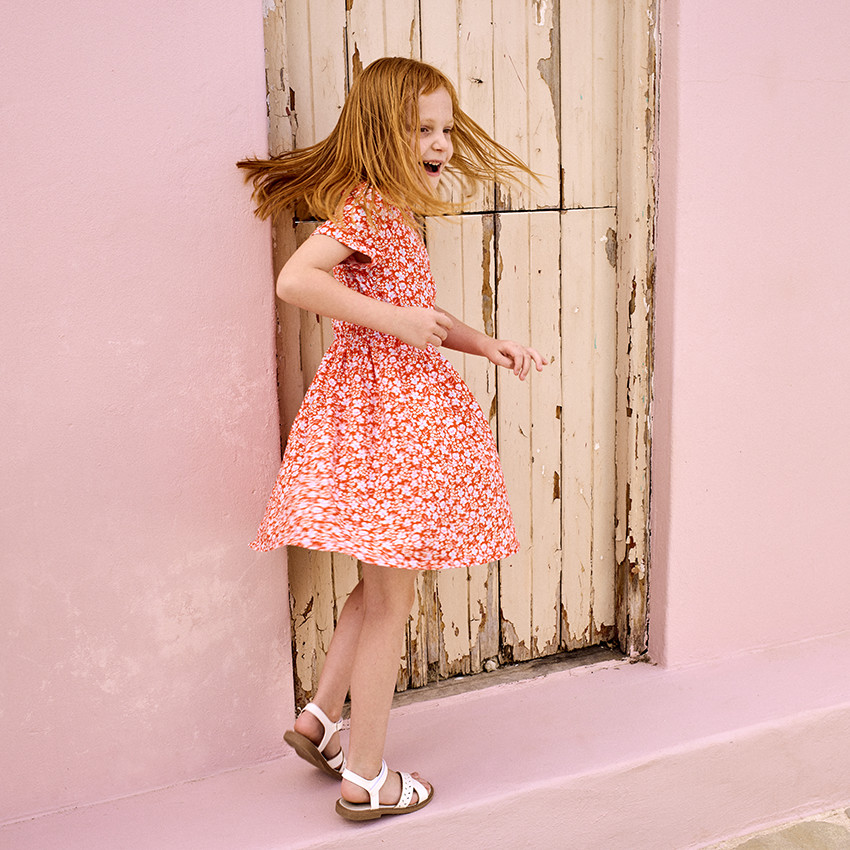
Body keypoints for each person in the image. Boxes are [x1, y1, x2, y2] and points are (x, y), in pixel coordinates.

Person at [238, 56, 546, 822]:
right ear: (384, 132)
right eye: (422, 129)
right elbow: (297, 282)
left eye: (445, 128)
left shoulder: (391, 213)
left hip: (382, 423)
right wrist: (397, 323)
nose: (440, 143)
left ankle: (319, 718)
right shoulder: (369, 209)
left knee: (376, 590)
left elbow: (425, 318)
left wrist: (489, 345)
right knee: (389, 603)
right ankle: (368, 777)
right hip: (388, 426)